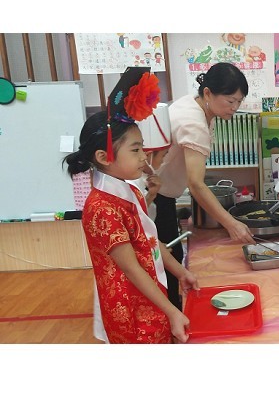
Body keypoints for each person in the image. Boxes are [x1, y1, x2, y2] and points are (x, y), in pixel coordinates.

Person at [64, 67, 199, 343]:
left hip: (150, 298)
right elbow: (131, 268)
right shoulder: (101, 207)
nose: (143, 157)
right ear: (104, 157)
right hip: (130, 312)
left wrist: (181, 272)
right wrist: (172, 311)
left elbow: (150, 243)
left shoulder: (130, 191)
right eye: (135, 150)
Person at [154, 63, 255, 310]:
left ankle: (172, 311)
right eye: (230, 101)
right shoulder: (193, 122)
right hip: (153, 197)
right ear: (208, 93)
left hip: (161, 193)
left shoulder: (195, 105)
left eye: (239, 101)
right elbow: (196, 184)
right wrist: (231, 223)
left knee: (170, 257)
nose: (235, 108)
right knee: (166, 260)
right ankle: (172, 316)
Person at [131, 102, 172, 220]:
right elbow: (134, 219)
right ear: (148, 156)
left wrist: (151, 194)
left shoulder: (143, 178)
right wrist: (151, 195)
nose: (163, 161)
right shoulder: (132, 182)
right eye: (163, 156)